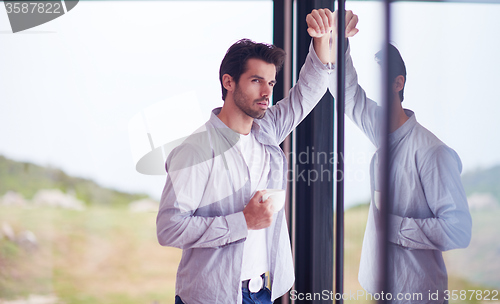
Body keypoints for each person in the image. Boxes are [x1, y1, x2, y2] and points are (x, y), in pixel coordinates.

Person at [156, 8, 359, 304]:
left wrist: (323, 39)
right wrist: (243, 221)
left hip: (262, 291)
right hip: (212, 297)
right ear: (229, 82)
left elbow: (307, 92)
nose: (267, 92)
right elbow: (170, 228)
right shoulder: (195, 151)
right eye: (256, 81)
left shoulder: (267, 130)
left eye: (271, 83)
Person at [328, 42, 472, 302]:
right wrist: (338, 45)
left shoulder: (433, 152)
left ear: (398, 84)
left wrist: (394, 228)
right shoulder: (383, 131)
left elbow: (459, 229)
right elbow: (348, 94)